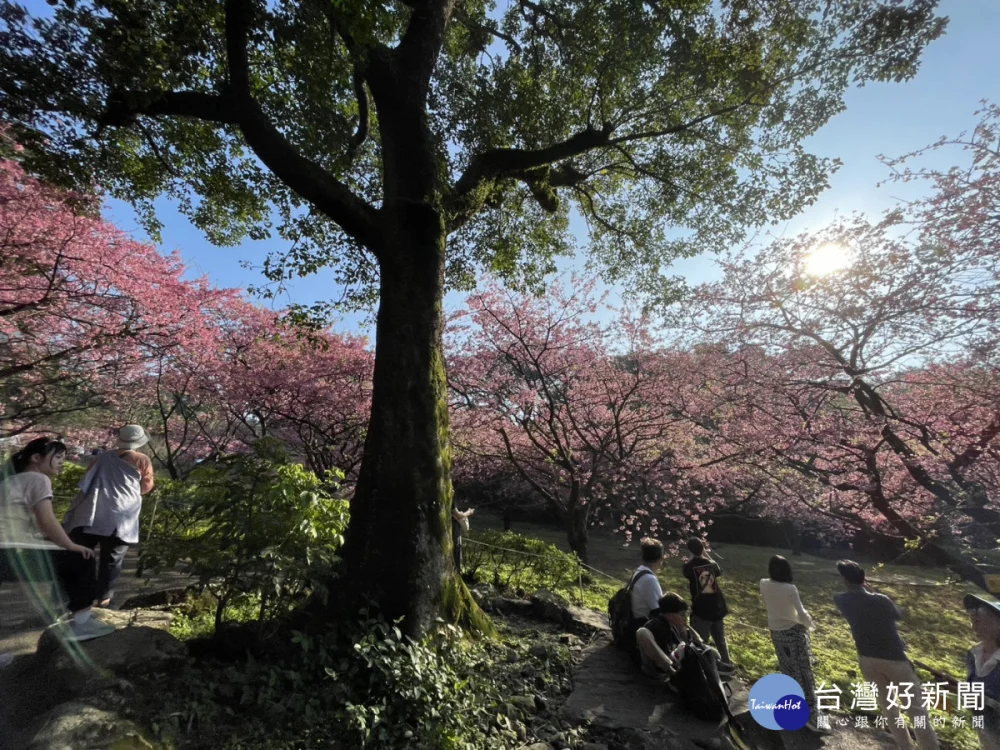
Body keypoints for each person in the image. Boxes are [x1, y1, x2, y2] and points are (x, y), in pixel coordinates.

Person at [0, 437, 113, 641]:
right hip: (9, 552)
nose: (62, 462)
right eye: (58, 457)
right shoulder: (38, 479)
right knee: (81, 558)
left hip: (6, 553)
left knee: (64, 555)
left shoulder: (10, 480)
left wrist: (52, 540)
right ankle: (82, 622)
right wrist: (70, 544)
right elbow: (47, 520)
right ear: (36, 458)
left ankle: (67, 612)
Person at [834, 560, 939, 750]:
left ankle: (905, 747)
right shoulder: (881, 600)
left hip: (867, 658)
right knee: (916, 709)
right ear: (863, 577)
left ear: (844, 579)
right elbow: (898, 614)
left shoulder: (840, 599)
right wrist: (873, 591)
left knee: (889, 707)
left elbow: (857, 599)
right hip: (895, 658)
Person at [63, 425, 155, 607]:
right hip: (121, 516)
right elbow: (146, 487)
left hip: (91, 513)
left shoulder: (102, 457)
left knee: (84, 555)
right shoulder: (142, 460)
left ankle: (80, 596)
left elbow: (87, 479)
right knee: (112, 559)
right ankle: (103, 600)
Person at [760, 555, 828, 734]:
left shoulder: (764, 584)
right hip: (794, 632)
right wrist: (811, 625)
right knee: (804, 672)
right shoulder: (790, 588)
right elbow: (801, 612)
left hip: (776, 631)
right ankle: (812, 714)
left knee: (787, 668)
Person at [682, 537, 732, 667]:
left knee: (701, 641)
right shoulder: (711, 564)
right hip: (717, 607)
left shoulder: (688, 567)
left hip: (702, 610)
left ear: (689, 550)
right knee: (720, 640)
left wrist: (694, 555)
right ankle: (727, 664)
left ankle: (703, 666)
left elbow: (686, 573)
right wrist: (705, 554)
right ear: (703, 548)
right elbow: (719, 570)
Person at [963, 594, 1000, 749]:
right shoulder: (973, 653)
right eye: (973, 620)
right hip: (984, 726)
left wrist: (987, 702)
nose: (974, 626)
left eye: (979, 621)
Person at [451, 506, 474, 572]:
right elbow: (459, 516)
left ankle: (457, 569)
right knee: (457, 547)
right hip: (454, 528)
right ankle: (457, 570)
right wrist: (469, 512)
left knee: (457, 548)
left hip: (454, 527)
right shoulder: (452, 503)